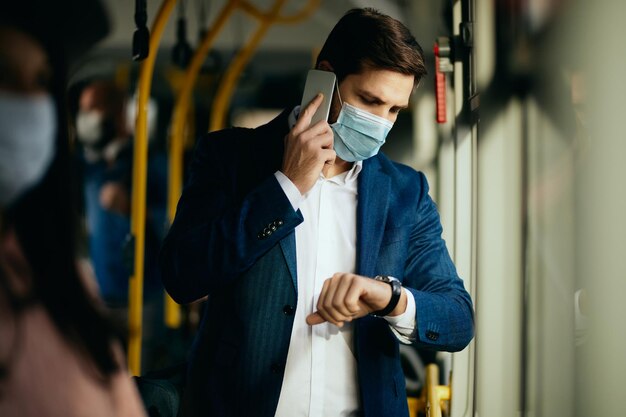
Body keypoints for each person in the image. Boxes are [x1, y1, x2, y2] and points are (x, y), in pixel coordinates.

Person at [160, 8, 474, 417]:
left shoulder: (405, 192)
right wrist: (286, 187)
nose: (381, 124)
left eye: (394, 111)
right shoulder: (230, 158)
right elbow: (182, 277)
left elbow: (456, 319)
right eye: (370, 101)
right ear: (325, 78)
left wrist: (390, 298)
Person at [0, 2, 146, 416]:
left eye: (42, 79)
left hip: (137, 295)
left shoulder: (53, 278)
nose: (30, 102)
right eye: (3, 74)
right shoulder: (86, 167)